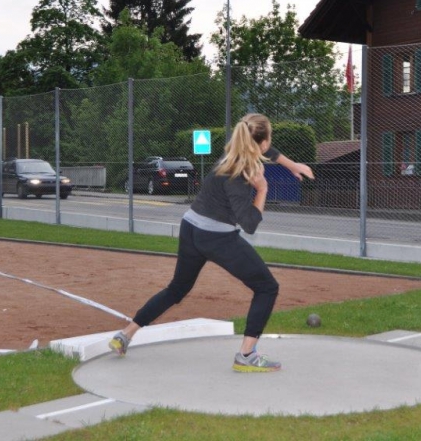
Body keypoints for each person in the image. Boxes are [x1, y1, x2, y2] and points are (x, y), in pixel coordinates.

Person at [109, 113, 314, 371]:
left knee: (176, 289)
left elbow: (267, 150)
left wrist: (291, 165)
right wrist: (262, 189)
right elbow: (250, 224)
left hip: (190, 227)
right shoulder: (239, 176)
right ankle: (246, 355)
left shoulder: (230, 155)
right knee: (267, 287)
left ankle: (124, 335)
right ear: (261, 142)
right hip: (215, 237)